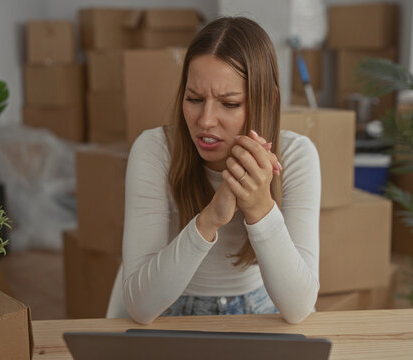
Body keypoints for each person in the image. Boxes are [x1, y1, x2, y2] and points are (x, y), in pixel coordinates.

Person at [121, 16, 321, 325]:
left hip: (263, 310)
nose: (205, 120)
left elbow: (297, 308)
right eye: (194, 99)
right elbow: (141, 306)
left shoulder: (296, 155)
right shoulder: (154, 151)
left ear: (265, 100)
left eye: (229, 103)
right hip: (173, 311)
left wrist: (260, 208)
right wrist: (211, 218)